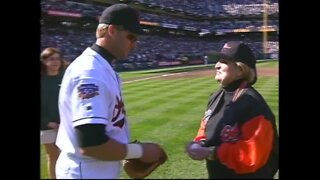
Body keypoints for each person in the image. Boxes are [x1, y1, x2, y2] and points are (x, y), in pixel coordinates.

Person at [55, 4, 166, 179]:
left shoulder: (101, 67)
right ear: (112, 30)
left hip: (94, 169)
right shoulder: (91, 72)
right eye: (131, 37)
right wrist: (139, 151)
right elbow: (91, 143)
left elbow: (103, 132)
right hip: (86, 172)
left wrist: (123, 151)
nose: (134, 44)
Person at [186, 41, 279, 179]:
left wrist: (211, 152)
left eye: (223, 62)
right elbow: (205, 128)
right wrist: (198, 143)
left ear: (240, 69)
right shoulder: (217, 96)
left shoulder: (252, 104)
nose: (216, 65)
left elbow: (252, 155)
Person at [41, 47, 68, 179]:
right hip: (47, 126)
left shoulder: (67, 77)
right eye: (51, 59)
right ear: (44, 61)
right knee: (53, 156)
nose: (55, 62)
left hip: (66, 125)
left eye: (58, 58)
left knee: (68, 155)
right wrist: (48, 122)